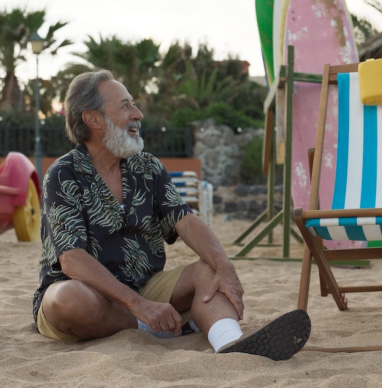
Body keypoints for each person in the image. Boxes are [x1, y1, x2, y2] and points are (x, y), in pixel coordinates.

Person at [32, 70, 310, 361]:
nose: (138, 114)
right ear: (93, 119)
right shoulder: (63, 174)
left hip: (147, 287)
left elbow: (185, 220)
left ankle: (231, 343)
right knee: (70, 300)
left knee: (208, 271)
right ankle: (157, 324)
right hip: (89, 293)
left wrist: (224, 267)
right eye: (125, 105)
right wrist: (138, 305)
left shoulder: (147, 167)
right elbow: (72, 259)